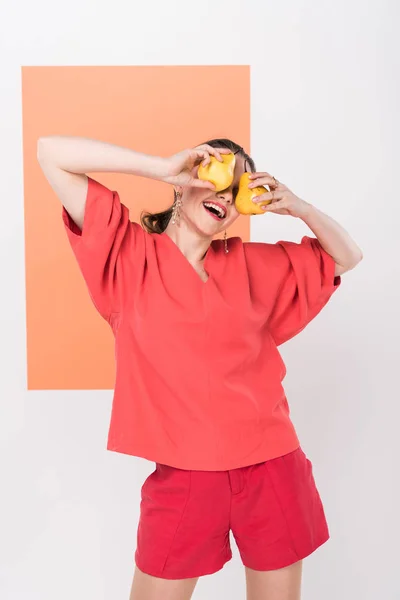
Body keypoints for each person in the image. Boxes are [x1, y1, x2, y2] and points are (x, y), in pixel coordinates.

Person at [37, 135, 363, 600]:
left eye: (236, 194)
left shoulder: (249, 264)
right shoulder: (128, 256)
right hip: (183, 477)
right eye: (216, 182)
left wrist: (298, 206)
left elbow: (347, 256)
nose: (224, 200)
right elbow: (51, 153)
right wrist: (163, 167)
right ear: (188, 180)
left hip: (272, 467)